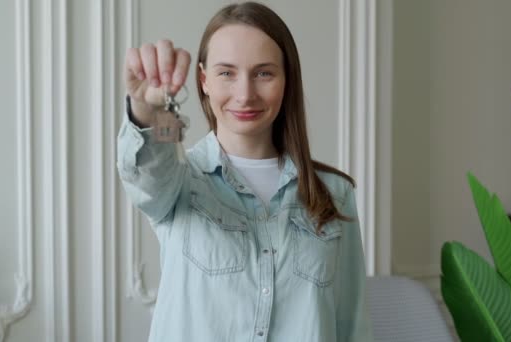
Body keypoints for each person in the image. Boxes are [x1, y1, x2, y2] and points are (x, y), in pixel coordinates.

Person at [118, 2, 372, 341]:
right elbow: (150, 170)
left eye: (264, 73)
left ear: (286, 80)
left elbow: (351, 326)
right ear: (204, 80)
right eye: (227, 73)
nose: (245, 94)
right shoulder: (180, 182)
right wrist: (148, 109)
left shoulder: (336, 193)